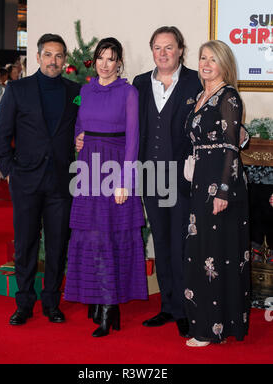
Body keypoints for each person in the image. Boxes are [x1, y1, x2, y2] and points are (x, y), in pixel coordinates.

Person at [0, 34, 81, 325]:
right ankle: (24, 303)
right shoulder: (18, 89)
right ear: (38, 57)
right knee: (26, 244)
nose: (53, 61)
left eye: (58, 56)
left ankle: (52, 303)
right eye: (48, 55)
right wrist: (9, 169)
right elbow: (1, 133)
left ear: (64, 60)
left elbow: (84, 128)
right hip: (26, 181)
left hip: (61, 181)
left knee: (57, 246)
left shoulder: (75, 92)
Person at [64, 37, 148, 337]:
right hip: (88, 167)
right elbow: (79, 123)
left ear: (119, 63)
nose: (104, 63)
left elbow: (134, 139)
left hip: (114, 167)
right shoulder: (85, 90)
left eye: (111, 58)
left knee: (112, 236)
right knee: (90, 236)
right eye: (101, 57)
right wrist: (78, 138)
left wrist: (125, 181)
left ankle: (110, 305)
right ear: (95, 60)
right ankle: (98, 299)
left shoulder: (128, 92)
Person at [133, 26, 202, 337]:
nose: (163, 53)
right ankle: (168, 306)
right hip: (151, 176)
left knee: (181, 244)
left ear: (180, 50)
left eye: (169, 47)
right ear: (152, 51)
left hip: (182, 176)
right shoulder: (139, 84)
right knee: (160, 242)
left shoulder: (195, 81)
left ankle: (186, 309)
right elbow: (130, 127)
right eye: (158, 48)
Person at [183, 40, 250, 347]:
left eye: (213, 59)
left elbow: (231, 147)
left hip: (222, 186)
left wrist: (223, 190)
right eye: (202, 58)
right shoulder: (200, 96)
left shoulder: (229, 96)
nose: (206, 64)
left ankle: (214, 329)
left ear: (224, 64)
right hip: (200, 183)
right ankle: (204, 322)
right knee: (202, 252)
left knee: (217, 255)